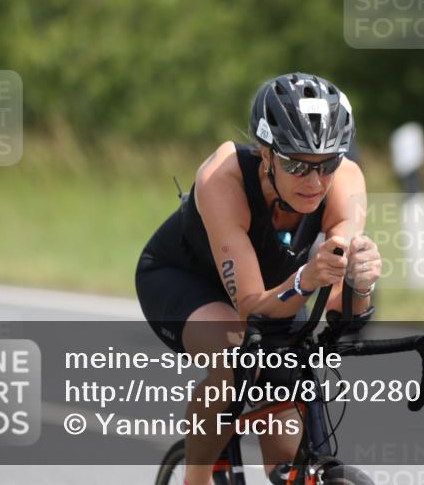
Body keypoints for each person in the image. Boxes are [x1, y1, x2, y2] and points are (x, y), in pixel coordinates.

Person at [135, 73, 381, 485]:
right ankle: (195, 478)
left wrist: (361, 282)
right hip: (184, 280)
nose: (315, 181)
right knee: (235, 360)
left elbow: (344, 310)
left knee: (286, 437)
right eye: (295, 164)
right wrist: (305, 279)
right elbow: (251, 306)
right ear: (265, 154)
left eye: (327, 165)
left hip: (275, 290)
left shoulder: (347, 182)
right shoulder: (223, 177)